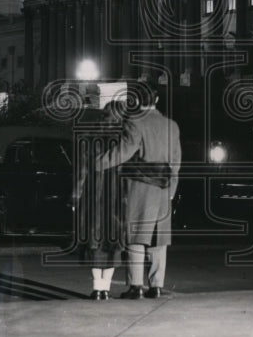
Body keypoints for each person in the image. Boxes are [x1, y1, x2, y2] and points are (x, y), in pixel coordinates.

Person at [96, 84, 181, 299]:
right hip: (164, 188)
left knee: (136, 236)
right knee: (158, 238)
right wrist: (171, 190)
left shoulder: (135, 123)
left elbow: (124, 151)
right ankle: (157, 285)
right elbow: (176, 162)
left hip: (140, 187)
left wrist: (98, 163)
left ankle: (136, 286)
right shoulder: (172, 125)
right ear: (157, 99)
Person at [74, 100, 126, 300]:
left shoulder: (90, 137)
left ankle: (97, 288)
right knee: (113, 242)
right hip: (116, 196)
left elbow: (82, 170)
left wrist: (77, 192)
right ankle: (105, 288)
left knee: (94, 240)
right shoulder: (123, 139)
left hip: (93, 195)